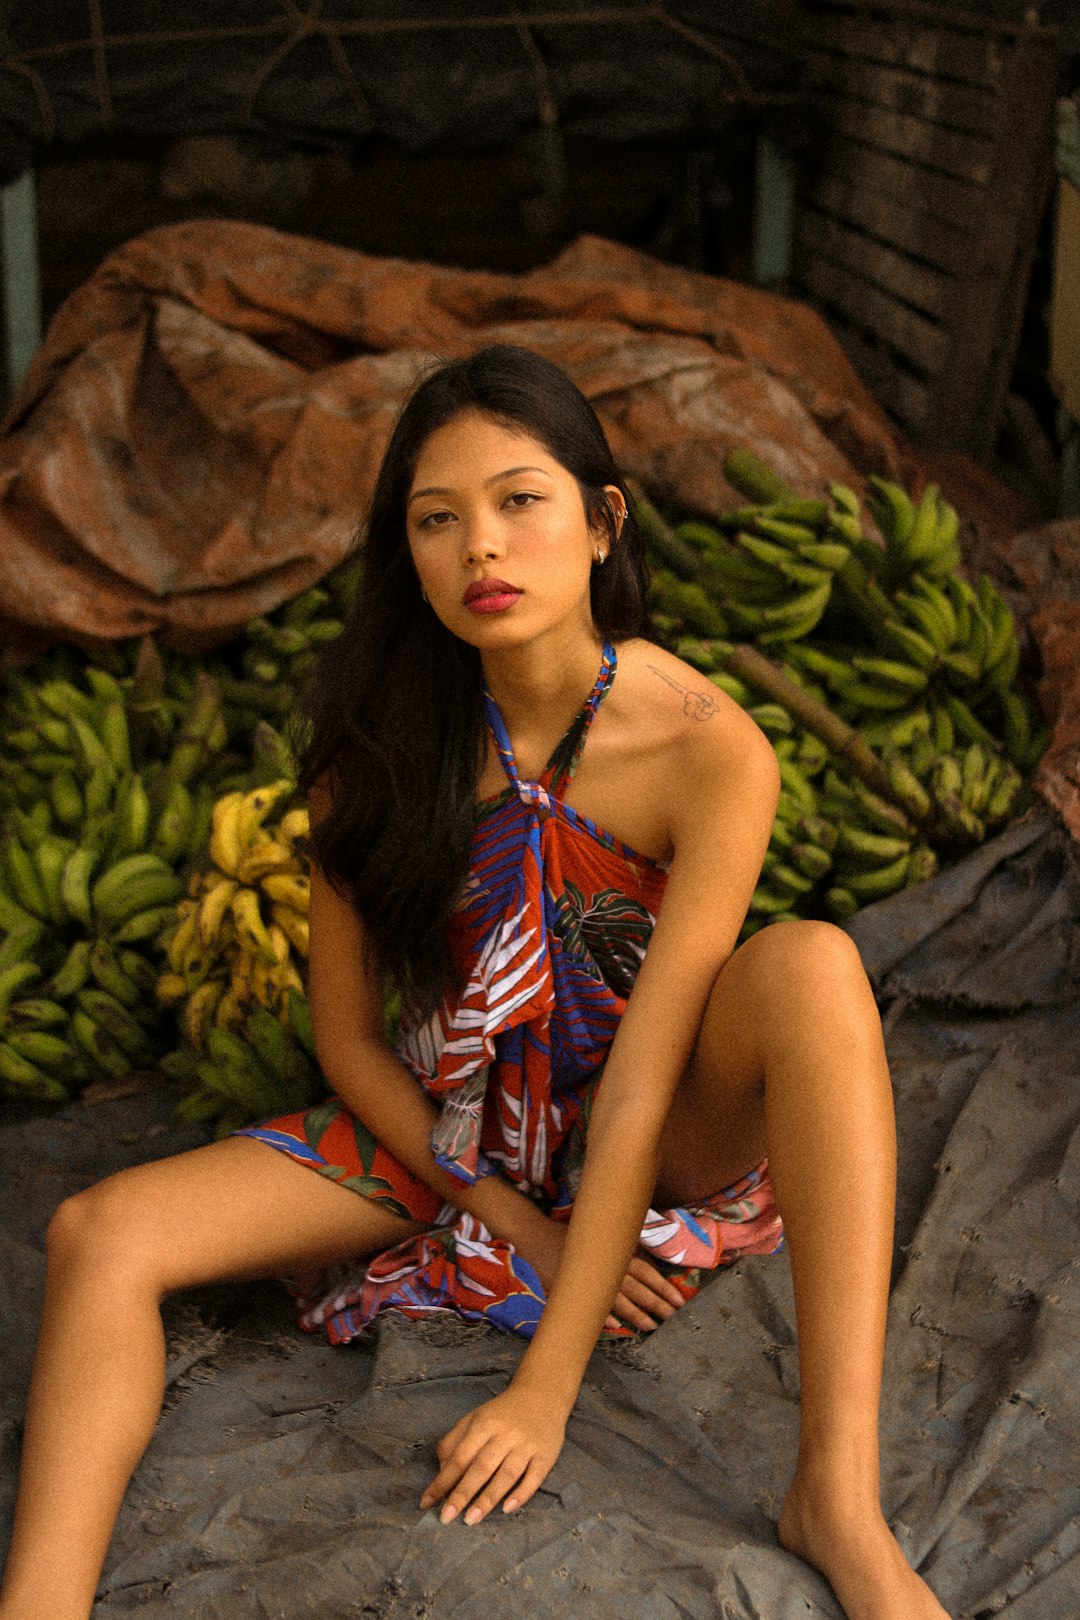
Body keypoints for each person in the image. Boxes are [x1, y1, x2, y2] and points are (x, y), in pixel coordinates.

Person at [0, 344, 949, 1620]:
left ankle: (836, 1491)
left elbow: (644, 1079)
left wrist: (544, 1390)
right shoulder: (382, 743)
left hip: (653, 1117)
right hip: (454, 1119)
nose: (480, 551)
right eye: (436, 521)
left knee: (817, 964)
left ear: (603, 521)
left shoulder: (709, 750)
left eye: (519, 501)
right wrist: (531, 1230)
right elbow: (347, 1046)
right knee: (95, 1232)